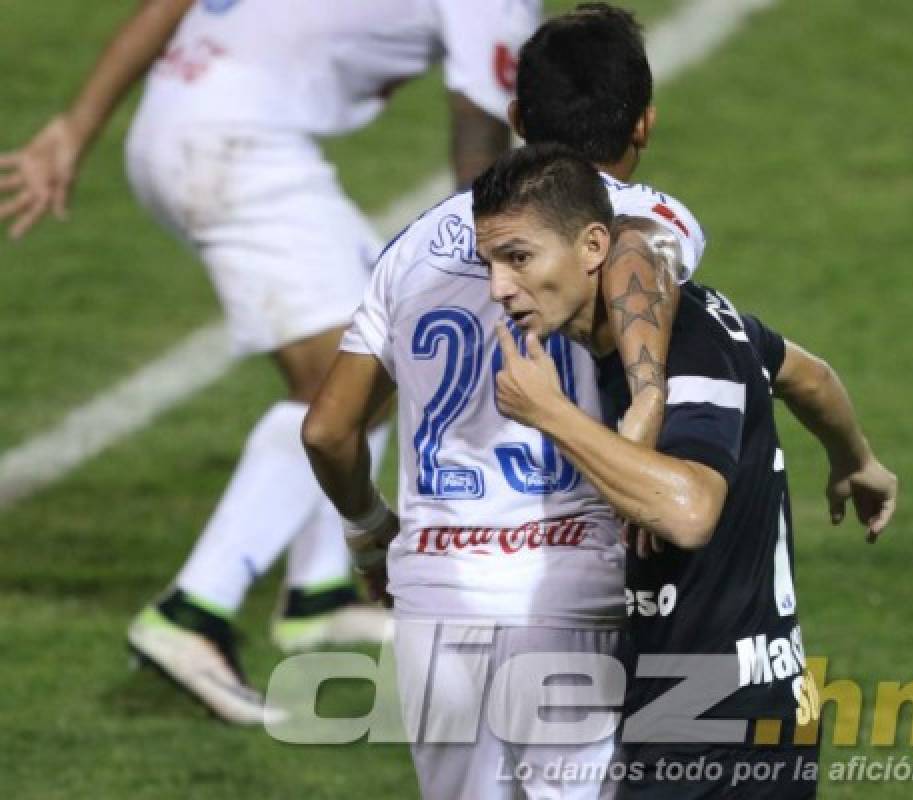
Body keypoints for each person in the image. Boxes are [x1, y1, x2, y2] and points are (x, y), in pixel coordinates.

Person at [0, 0, 541, 724]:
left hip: (188, 122)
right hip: (237, 146)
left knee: (374, 350)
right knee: (347, 385)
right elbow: (478, 135)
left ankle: (318, 595)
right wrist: (496, 267)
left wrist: (77, 125)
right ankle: (192, 613)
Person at [301, 5, 708, 797]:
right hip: (571, 586)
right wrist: (647, 407)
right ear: (645, 124)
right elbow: (640, 258)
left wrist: (369, 532)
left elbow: (327, 432)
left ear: (516, 116)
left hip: (435, 594)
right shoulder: (644, 223)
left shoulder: (412, 247)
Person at [474, 143, 899, 798]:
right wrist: (857, 459)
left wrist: (551, 413)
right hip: (738, 701)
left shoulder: (690, 354)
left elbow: (689, 512)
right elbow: (810, 378)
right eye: (491, 264)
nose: (500, 287)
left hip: (713, 720)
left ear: (592, 249)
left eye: (519, 258)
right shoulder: (686, 323)